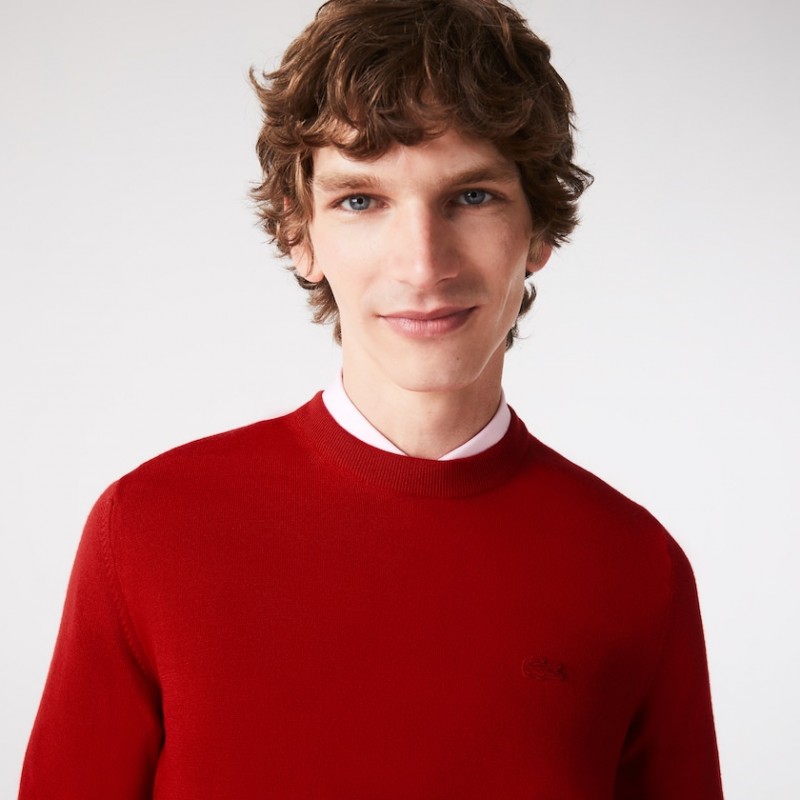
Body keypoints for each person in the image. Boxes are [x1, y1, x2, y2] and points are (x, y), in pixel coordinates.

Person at [19, 0, 723, 797]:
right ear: (300, 235)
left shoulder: (635, 568)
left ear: (539, 231)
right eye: (361, 200)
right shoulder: (148, 531)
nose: (422, 264)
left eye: (472, 196)